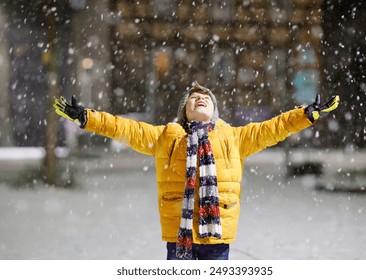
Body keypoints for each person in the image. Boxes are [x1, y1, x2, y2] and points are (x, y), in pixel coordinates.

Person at [53, 81, 339, 260]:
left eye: (206, 98)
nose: (199, 98)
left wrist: (306, 115)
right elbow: (122, 127)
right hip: (180, 236)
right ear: (184, 111)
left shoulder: (235, 138)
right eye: (193, 98)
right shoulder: (166, 137)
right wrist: (87, 118)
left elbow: (275, 127)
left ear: (214, 110)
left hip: (217, 236)